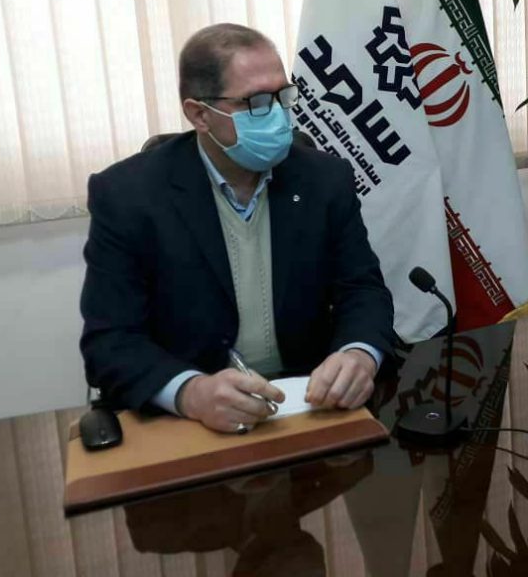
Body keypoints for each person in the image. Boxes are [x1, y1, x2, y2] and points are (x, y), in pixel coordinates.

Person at [79, 23, 395, 433]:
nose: (278, 114)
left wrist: (359, 354)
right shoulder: (127, 196)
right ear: (199, 114)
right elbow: (109, 341)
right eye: (256, 102)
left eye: (283, 95)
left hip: (308, 405)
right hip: (193, 422)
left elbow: (363, 290)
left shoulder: (325, 179)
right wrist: (191, 392)